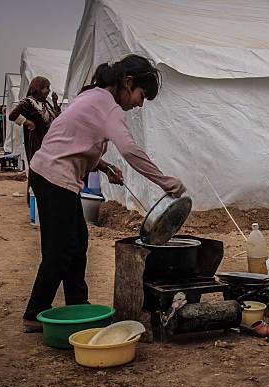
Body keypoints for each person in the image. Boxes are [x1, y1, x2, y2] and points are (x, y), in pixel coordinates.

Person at [22, 55, 186, 332]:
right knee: (61, 249)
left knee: (76, 243)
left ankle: (79, 306)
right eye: (141, 95)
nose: (139, 104)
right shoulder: (108, 107)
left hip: (47, 173)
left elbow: (73, 140)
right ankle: (34, 312)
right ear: (129, 82)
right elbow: (130, 150)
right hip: (55, 178)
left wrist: (105, 166)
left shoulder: (91, 96)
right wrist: (165, 181)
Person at [8, 76, 61, 163]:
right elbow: (12, 115)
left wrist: (55, 102)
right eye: (47, 88)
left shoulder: (46, 103)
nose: (49, 90)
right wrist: (28, 122)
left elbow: (57, 116)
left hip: (47, 139)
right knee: (38, 163)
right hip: (36, 139)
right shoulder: (28, 102)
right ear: (38, 88)